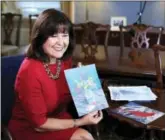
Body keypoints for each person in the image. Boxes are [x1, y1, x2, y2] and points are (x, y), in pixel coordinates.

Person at [8, 8, 103, 140]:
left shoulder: (64, 60)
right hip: (31, 128)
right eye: (53, 36)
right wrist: (79, 122)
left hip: (58, 117)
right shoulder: (29, 72)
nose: (60, 42)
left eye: (65, 35)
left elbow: (70, 93)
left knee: (86, 137)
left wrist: (85, 87)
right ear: (40, 38)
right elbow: (39, 124)